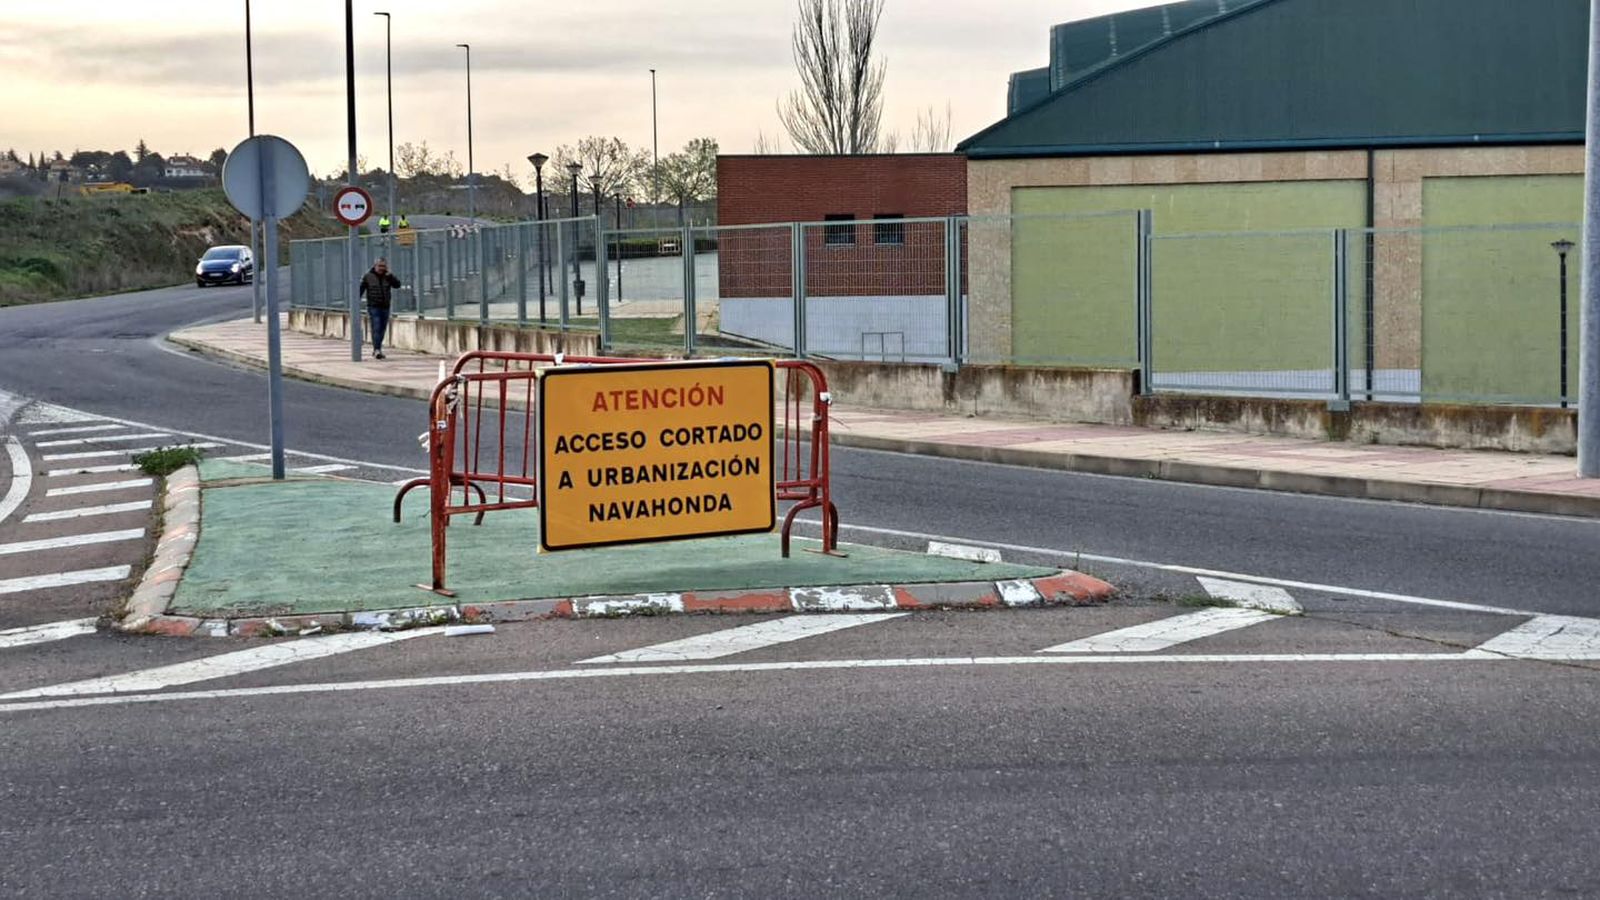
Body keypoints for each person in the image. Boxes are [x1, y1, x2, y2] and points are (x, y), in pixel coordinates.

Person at [358, 257, 401, 360]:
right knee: (376, 327)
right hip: (373, 306)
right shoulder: (368, 276)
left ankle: (377, 349)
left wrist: (391, 277)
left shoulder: (388, 276)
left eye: (384, 266)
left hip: (385, 306)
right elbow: (360, 290)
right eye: (380, 266)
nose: (382, 268)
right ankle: (377, 349)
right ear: (375, 266)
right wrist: (356, 302)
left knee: (382, 329)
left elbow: (397, 285)